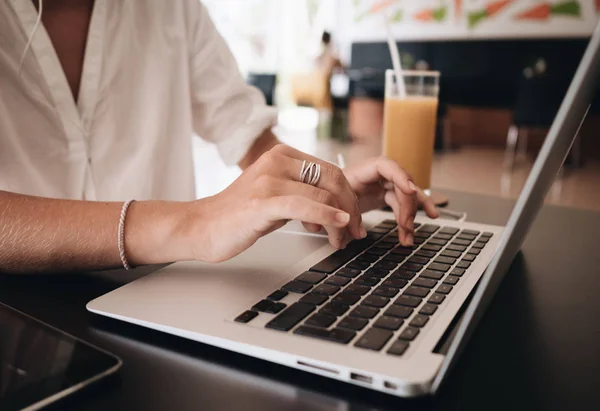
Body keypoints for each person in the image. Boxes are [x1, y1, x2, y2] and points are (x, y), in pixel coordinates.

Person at [0, 0, 438, 275]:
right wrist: (194, 222)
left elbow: (242, 127)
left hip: (162, 294)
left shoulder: (174, 8)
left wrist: (324, 188)